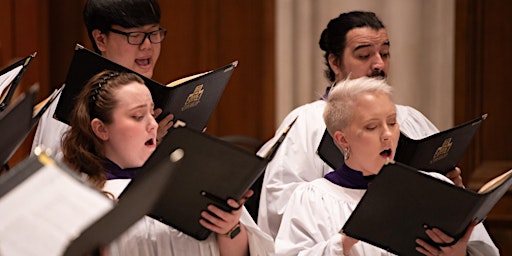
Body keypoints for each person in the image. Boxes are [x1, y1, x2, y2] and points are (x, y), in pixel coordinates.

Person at [256, 10, 463, 239]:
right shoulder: (307, 123)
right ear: (335, 62)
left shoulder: (412, 119)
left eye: (385, 53)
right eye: (364, 56)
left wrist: (450, 191)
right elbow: (280, 207)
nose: (378, 64)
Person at [274, 76, 499, 255]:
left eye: (392, 123)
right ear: (343, 140)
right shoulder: (312, 199)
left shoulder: (434, 187)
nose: (387, 135)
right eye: (372, 127)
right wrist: (345, 241)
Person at [62, 70, 274, 255]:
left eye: (151, 113)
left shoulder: (192, 177)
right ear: (101, 129)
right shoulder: (78, 199)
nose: (153, 125)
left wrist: (229, 228)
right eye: (137, 116)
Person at [31, 0, 173, 160]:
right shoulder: (68, 107)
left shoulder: (147, 95)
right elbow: (64, 177)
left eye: (154, 33)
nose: (147, 45)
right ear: (101, 40)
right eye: (135, 36)